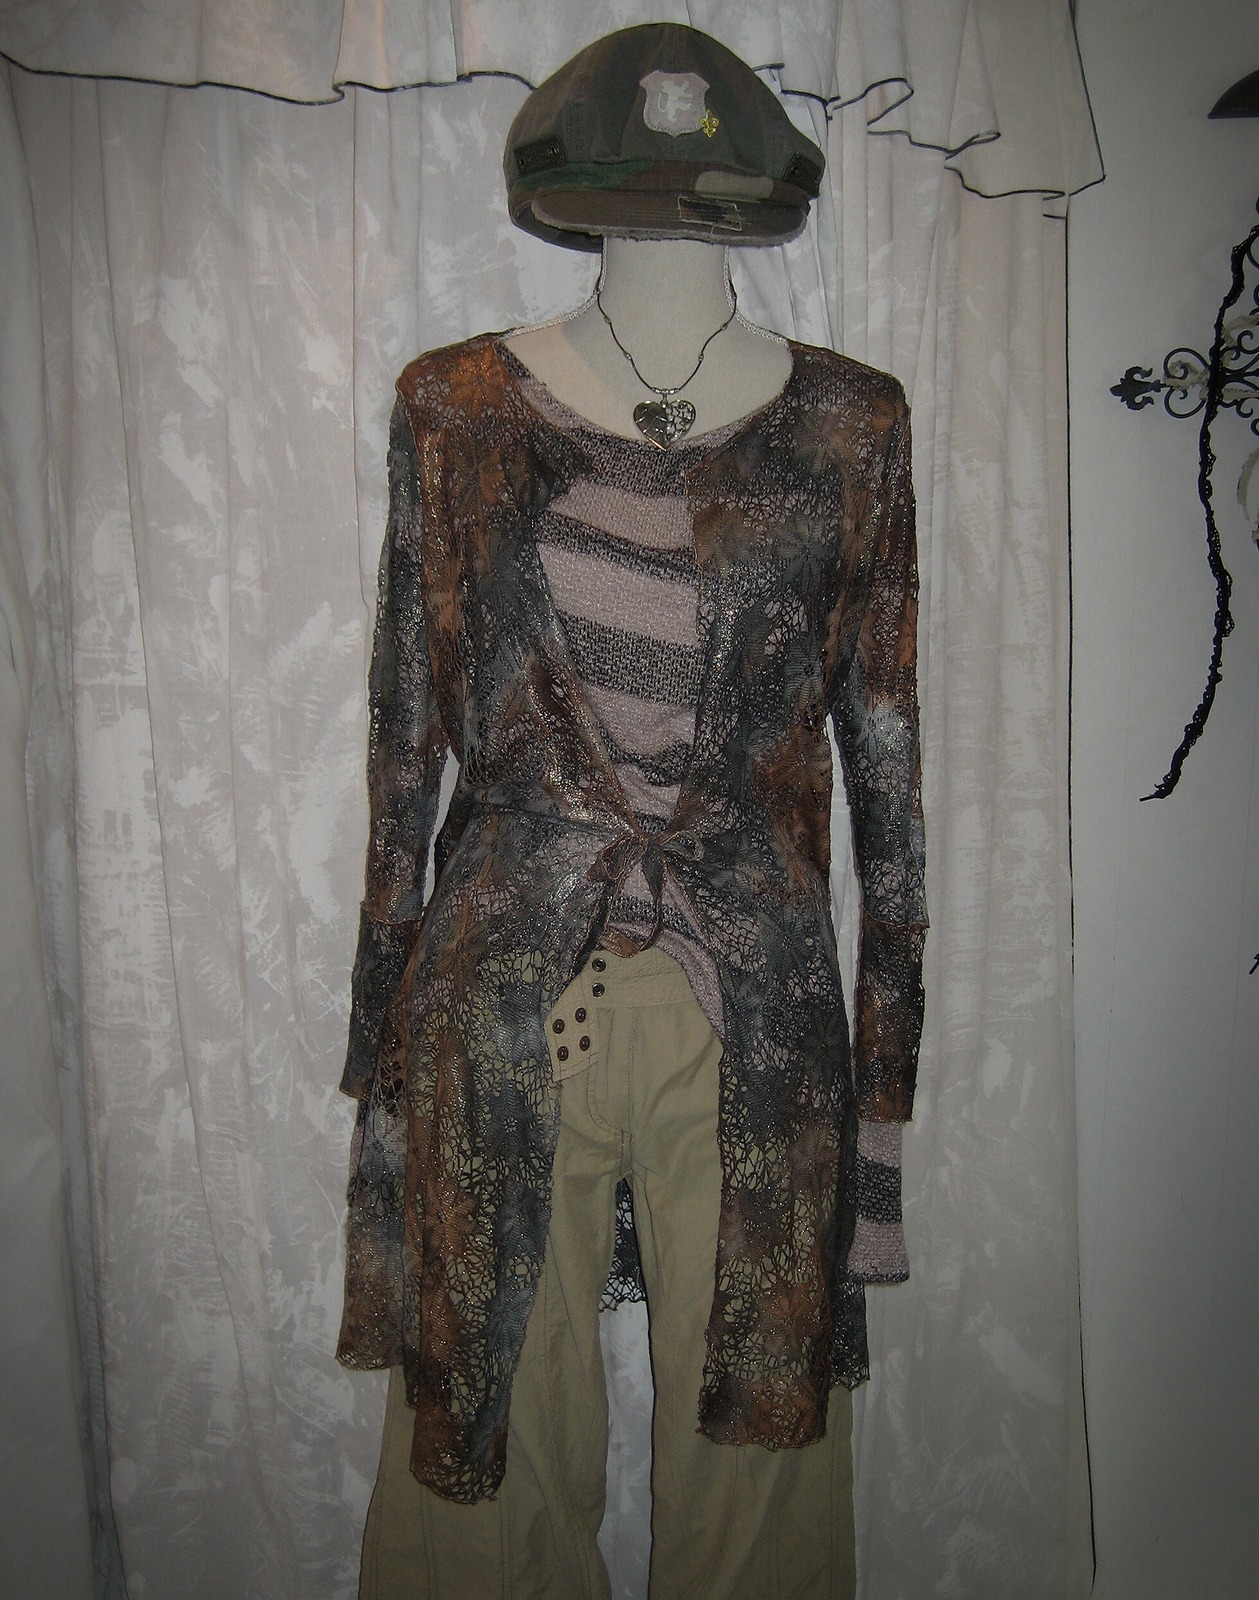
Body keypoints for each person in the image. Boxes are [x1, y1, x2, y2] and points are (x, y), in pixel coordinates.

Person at [340, 24, 926, 1599]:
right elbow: (406, 727)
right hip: (501, 991)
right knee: (486, 1446)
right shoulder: (455, 404)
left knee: (761, 1462)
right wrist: (382, 1021)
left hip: (758, 1005)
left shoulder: (854, 424)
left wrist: (885, 1060)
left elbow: (887, 753)